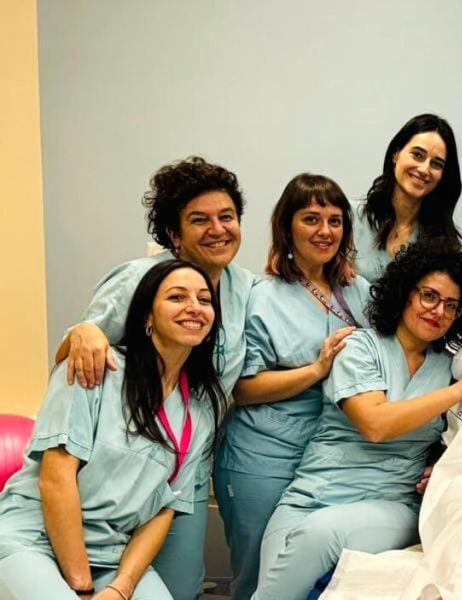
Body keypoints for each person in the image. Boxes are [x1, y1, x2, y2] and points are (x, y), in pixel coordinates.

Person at [252, 239, 462, 600]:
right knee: (276, 579)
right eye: (429, 296)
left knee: (318, 535)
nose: (438, 311)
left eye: (451, 305)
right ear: (404, 293)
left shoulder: (450, 367)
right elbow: (375, 424)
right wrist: (460, 390)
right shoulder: (358, 348)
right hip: (310, 496)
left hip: (391, 504)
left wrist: (438, 463)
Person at [54, 156, 255, 600]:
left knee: (178, 588)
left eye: (227, 217)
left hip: (183, 469)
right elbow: (78, 353)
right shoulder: (139, 279)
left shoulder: (244, 288)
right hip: (116, 469)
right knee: (96, 580)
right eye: (199, 220)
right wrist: (83, 330)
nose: (218, 229)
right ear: (173, 233)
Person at [0, 260, 225, 599]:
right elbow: (55, 478)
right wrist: (83, 587)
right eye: (177, 297)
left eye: (204, 299)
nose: (194, 307)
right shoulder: (94, 368)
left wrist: (122, 586)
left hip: (111, 555)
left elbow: (164, 510)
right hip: (33, 538)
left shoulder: (199, 411)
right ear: (147, 317)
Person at [212, 174, 370, 600]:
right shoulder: (263, 296)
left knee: (318, 579)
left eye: (335, 221)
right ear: (287, 226)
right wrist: (317, 369)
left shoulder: (358, 291)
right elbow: (244, 388)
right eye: (311, 219)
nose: (325, 231)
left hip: (332, 458)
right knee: (261, 578)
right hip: (264, 457)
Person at [353, 114, 462, 282]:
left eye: (436, 164)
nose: (424, 169)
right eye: (418, 155)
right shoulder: (348, 218)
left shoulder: (442, 244)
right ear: (396, 154)